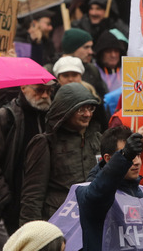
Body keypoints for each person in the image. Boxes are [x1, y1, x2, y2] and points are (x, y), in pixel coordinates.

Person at [19, 82, 102, 226]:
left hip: (93, 221)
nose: (87, 114)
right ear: (66, 110)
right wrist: (32, 235)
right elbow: (33, 195)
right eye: (81, 109)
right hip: (59, 224)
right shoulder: (46, 142)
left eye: (90, 108)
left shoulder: (98, 140)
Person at [0, 82, 53, 236]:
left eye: (49, 91)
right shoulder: (6, 117)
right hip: (13, 203)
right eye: (40, 90)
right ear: (23, 88)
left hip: (46, 203)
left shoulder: (52, 117)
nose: (45, 96)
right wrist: (4, 198)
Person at [53, 27, 110, 99]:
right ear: (72, 48)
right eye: (86, 47)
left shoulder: (92, 70)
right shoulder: (50, 71)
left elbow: (103, 99)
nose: (91, 52)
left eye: (75, 75)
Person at [91, 29, 127, 94]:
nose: (113, 55)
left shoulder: (128, 70)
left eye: (116, 51)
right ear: (101, 54)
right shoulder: (93, 71)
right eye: (108, 51)